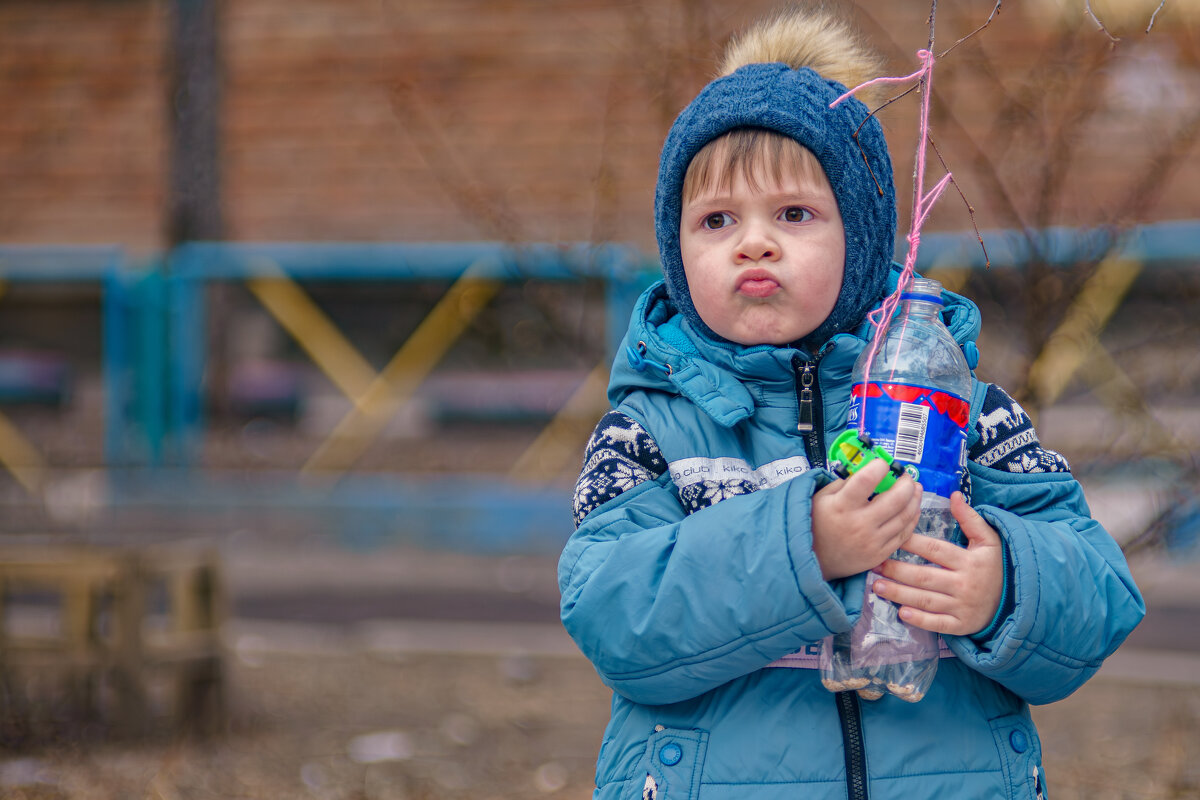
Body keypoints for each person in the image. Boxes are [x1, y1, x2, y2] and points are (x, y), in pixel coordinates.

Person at [557, 6, 1145, 800]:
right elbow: (612, 613)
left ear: (864, 237)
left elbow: (1102, 591)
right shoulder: (651, 428)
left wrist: (1002, 587)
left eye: (794, 214)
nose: (752, 243)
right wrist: (803, 546)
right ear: (676, 248)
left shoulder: (959, 412)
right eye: (716, 219)